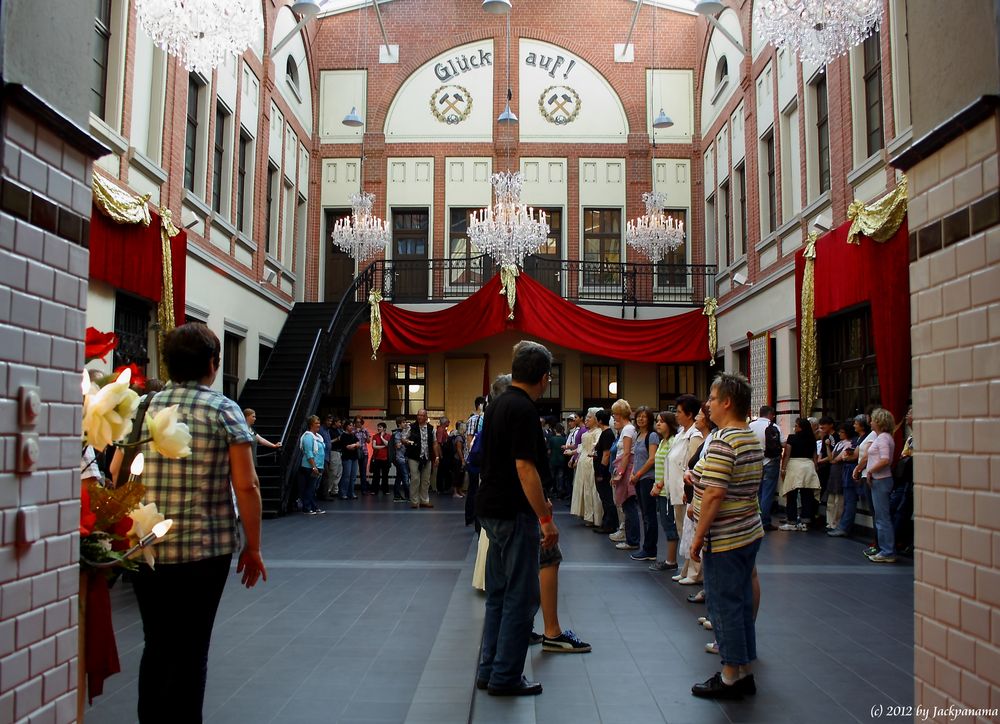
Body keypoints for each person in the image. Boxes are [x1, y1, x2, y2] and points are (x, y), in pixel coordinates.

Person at [124, 323, 267, 722]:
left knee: (155, 645)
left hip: (145, 547)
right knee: (191, 649)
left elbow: (119, 472)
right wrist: (252, 547)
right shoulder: (224, 409)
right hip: (205, 552)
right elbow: (247, 484)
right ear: (212, 364)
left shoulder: (142, 408)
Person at [475, 341, 559, 696]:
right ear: (544, 377)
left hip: (491, 508)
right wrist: (545, 518)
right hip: (513, 511)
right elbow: (525, 467)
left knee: (498, 593)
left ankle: (488, 668)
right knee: (521, 597)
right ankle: (506, 676)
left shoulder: (496, 404)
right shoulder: (523, 409)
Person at [689, 372, 763, 700]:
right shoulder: (748, 437)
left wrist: (697, 537)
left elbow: (716, 494)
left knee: (724, 605)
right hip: (748, 530)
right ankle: (744, 668)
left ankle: (730, 674)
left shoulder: (722, 440)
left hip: (726, 536)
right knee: (742, 601)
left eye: (712, 398)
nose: (708, 404)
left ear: (728, 402)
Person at [864, 408, 897, 563]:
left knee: (882, 517)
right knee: (881, 516)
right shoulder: (884, 437)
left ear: (878, 422)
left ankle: (887, 551)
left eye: (872, 419)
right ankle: (885, 549)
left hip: (881, 480)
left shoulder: (883, 438)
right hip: (881, 479)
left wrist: (870, 471)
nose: (870, 422)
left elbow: (885, 460)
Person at [628, 407, 661, 562]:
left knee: (649, 515)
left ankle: (650, 549)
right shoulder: (639, 435)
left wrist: (638, 474)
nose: (641, 419)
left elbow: (651, 459)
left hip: (647, 478)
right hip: (639, 478)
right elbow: (637, 458)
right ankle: (646, 547)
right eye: (638, 417)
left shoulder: (652, 435)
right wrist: (633, 474)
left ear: (649, 419)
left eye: (644, 417)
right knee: (645, 514)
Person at [778, 418, 821, 531]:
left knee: (791, 494)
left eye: (796, 426)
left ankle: (791, 522)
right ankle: (805, 522)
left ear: (801, 427)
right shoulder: (812, 439)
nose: (795, 428)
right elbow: (815, 455)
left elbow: (787, 454)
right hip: (808, 466)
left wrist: (783, 468)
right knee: (807, 495)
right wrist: (815, 467)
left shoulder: (792, 438)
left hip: (794, 466)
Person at [650, 411, 679, 571]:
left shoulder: (673, 441)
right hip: (661, 490)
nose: (658, 424)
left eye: (662, 421)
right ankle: (670, 559)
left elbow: (671, 468)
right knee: (666, 523)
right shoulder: (662, 442)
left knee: (669, 525)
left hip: (666, 491)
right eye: (657, 421)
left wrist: (659, 484)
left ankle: (671, 561)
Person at [610, 399, 638, 551]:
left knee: (628, 505)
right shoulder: (627, 429)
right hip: (624, 467)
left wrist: (619, 473)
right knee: (627, 505)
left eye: (615, 414)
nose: (614, 417)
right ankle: (631, 538)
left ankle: (632, 540)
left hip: (626, 469)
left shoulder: (627, 429)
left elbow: (626, 454)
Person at [748, 405, 782, 530]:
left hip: (755, 461)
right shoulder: (774, 427)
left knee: (757, 491)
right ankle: (764, 521)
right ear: (771, 414)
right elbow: (782, 442)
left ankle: (755, 518)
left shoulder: (750, 426)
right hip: (770, 461)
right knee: (768, 492)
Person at [569, 409, 602, 527]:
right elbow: (581, 448)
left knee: (591, 490)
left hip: (590, 462)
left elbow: (596, 447)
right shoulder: (586, 433)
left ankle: (595, 517)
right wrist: (574, 456)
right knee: (584, 489)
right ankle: (587, 515)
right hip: (583, 462)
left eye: (590, 417)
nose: (587, 420)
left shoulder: (598, 432)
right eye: (586, 417)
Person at [405, 409, 439, 509]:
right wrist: (409, 442)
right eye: (418, 415)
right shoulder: (411, 427)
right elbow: (403, 438)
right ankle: (414, 501)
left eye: (422, 415)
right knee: (415, 479)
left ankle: (424, 500)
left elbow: (434, 443)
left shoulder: (431, 428)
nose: (419, 417)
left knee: (426, 480)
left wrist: (436, 456)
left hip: (427, 457)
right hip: (414, 456)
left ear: (426, 417)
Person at [592, 409, 618, 535]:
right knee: (604, 498)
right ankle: (606, 522)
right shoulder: (605, 433)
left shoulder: (607, 434)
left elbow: (606, 454)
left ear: (600, 420)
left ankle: (610, 524)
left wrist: (601, 472)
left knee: (607, 498)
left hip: (603, 472)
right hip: (600, 469)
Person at [297, 415, 326, 515]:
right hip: (310, 467)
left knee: (313, 488)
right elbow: (309, 453)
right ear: (311, 424)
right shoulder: (308, 437)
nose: (318, 425)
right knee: (310, 488)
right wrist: (314, 466)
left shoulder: (318, 437)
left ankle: (313, 506)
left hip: (319, 466)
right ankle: (307, 507)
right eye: (316, 423)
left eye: (319, 423)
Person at [336, 420, 361, 500]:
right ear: (346, 426)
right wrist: (355, 445)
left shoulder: (353, 435)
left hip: (354, 457)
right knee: (346, 476)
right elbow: (348, 447)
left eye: (352, 425)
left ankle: (351, 492)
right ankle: (343, 493)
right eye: (350, 425)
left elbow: (359, 444)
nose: (352, 427)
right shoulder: (343, 435)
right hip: (347, 458)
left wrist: (354, 445)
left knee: (353, 477)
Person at [391, 417, 411, 502]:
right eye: (403, 422)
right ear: (399, 424)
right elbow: (398, 445)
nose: (405, 423)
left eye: (405, 422)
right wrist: (405, 441)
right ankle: (408, 496)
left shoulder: (402, 433)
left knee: (399, 478)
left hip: (402, 458)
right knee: (406, 478)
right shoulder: (397, 434)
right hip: (400, 458)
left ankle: (397, 496)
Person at [370, 422, 392, 496]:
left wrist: (382, 437)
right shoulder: (375, 436)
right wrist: (383, 446)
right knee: (376, 475)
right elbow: (374, 446)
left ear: (384, 429)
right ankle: (374, 490)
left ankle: (385, 490)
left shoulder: (388, 436)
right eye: (378, 427)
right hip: (377, 458)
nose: (378, 428)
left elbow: (388, 444)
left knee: (385, 476)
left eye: (380, 427)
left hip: (385, 459)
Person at [324, 416, 343, 499]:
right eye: (339, 422)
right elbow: (328, 442)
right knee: (333, 472)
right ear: (335, 423)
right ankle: (328, 490)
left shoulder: (339, 430)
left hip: (339, 452)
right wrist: (337, 439)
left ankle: (334, 490)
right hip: (333, 451)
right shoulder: (330, 431)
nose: (340, 424)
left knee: (339, 472)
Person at [315, 413, 333, 500]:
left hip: (327, 456)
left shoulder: (327, 430)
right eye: (328, 421)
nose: (330, 422)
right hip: (322, 456)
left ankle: (322, 494)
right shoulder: (321, 430)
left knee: (324, 476)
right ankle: (324, 495)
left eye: (331, 421)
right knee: (324, 476)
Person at [354, 416, 371, 495]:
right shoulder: (353, 430)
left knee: (363, 471)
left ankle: (363, 489)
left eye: (360, 422)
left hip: (364, 452)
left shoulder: (365, 430)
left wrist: (365, 435)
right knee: (353, 471)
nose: (358, 423)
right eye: (357, 422)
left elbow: (368, 441)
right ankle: (351, 489)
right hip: (354, 452)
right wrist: (356, 432)